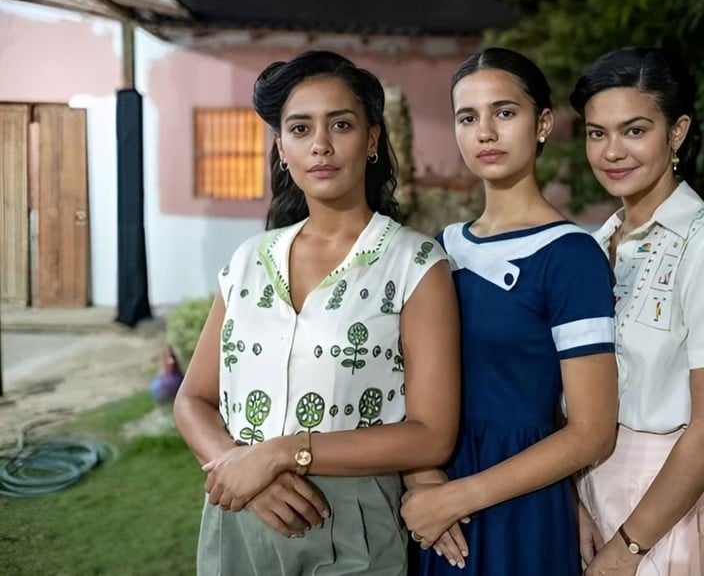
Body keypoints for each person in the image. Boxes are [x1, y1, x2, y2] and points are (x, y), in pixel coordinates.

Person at [173, 50, 461, 575]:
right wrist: (239, 466)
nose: (321, 145)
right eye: (300, 129)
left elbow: (432, 433)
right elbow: (192, 398)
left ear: (372, 140)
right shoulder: (248, 262)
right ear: (281, 148)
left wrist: (281, 453)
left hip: (350, 517)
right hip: (236, 510)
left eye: (341, 125)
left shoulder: (415, 263)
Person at [400, 47, 619, 576]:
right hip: (432, 504)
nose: (485, 133)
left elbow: (592, 431)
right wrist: (424, 482)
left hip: (519, 505)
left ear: (542, 123)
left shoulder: (572, 256)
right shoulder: (436, 250)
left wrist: (458, 498)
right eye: (467, 117)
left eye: (505, 112)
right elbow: (400, 381)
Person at [568, 46, 704, 575]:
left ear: (677, 132)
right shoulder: (594, 247)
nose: (612, 151)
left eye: (634, 130)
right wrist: (574, 501)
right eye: (598, 133)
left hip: (671, 513)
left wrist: (627, 550)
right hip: (589, 498)